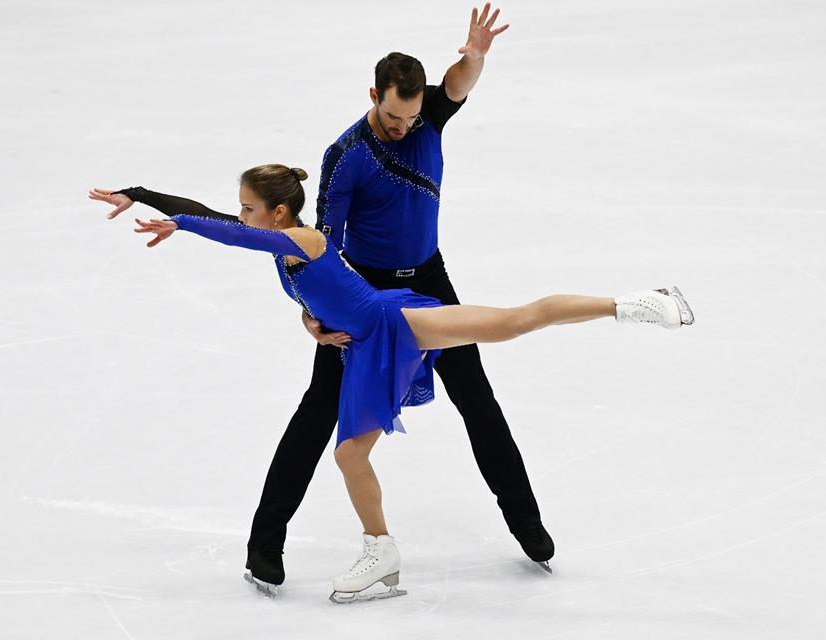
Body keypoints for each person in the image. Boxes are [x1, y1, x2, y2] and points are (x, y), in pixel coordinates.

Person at [89, 164, 694, 602]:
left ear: (277, 213)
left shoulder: (300, 238)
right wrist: (313, 322)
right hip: (368, 342)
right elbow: (244, 234)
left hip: (393, 324)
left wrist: (184, 227)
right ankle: (380, 551)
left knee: (512, 322)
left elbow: (233, 232)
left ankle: (636, 303)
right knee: (351, 454)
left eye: (249, 206)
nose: (240, 214)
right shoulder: (283, 249)